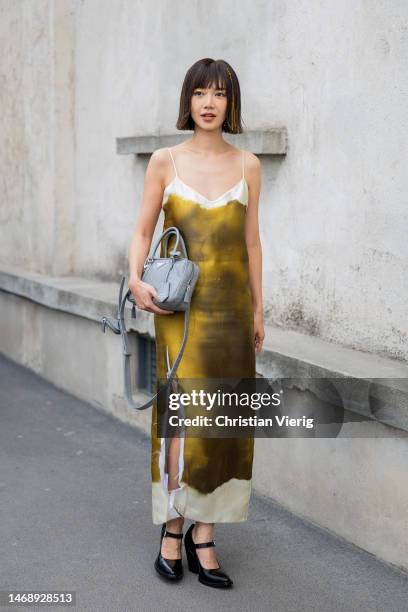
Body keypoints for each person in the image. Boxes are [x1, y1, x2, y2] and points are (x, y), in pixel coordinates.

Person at [128, 58, 264, 588]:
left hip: (232, 317)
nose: (210, 102)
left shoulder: (250, 164)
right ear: (188, 101)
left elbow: (253, 243)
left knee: (225, 420)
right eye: (200, 92)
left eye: (220, 94)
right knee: (183, 419)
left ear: (231, 103)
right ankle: (172, 525)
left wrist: (259, 309)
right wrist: (136, 280)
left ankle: (205, 533)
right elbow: (142, 231)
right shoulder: (164, 161)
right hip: (180, 316)